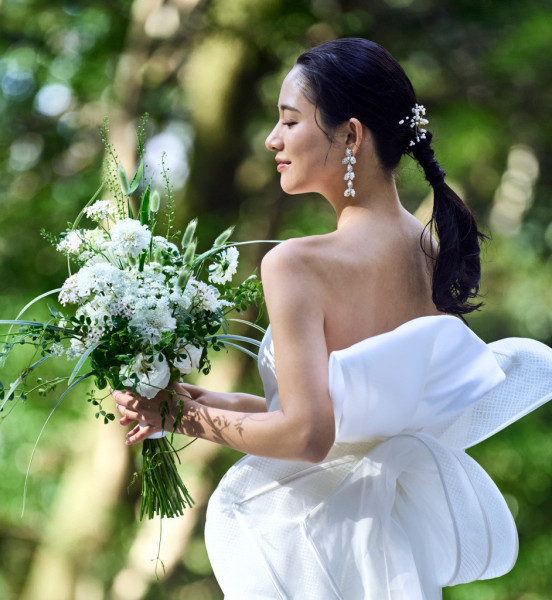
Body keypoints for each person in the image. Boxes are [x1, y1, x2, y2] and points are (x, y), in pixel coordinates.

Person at [113, 38, 552, 599]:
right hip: (392, 549)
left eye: (289, 121)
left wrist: (184, 421)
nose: (273, 139)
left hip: (316, 549)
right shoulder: (431, 254)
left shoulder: (297, 264)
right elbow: (340, 416)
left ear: (351, 134)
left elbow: (307, 435)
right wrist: (187, 401)